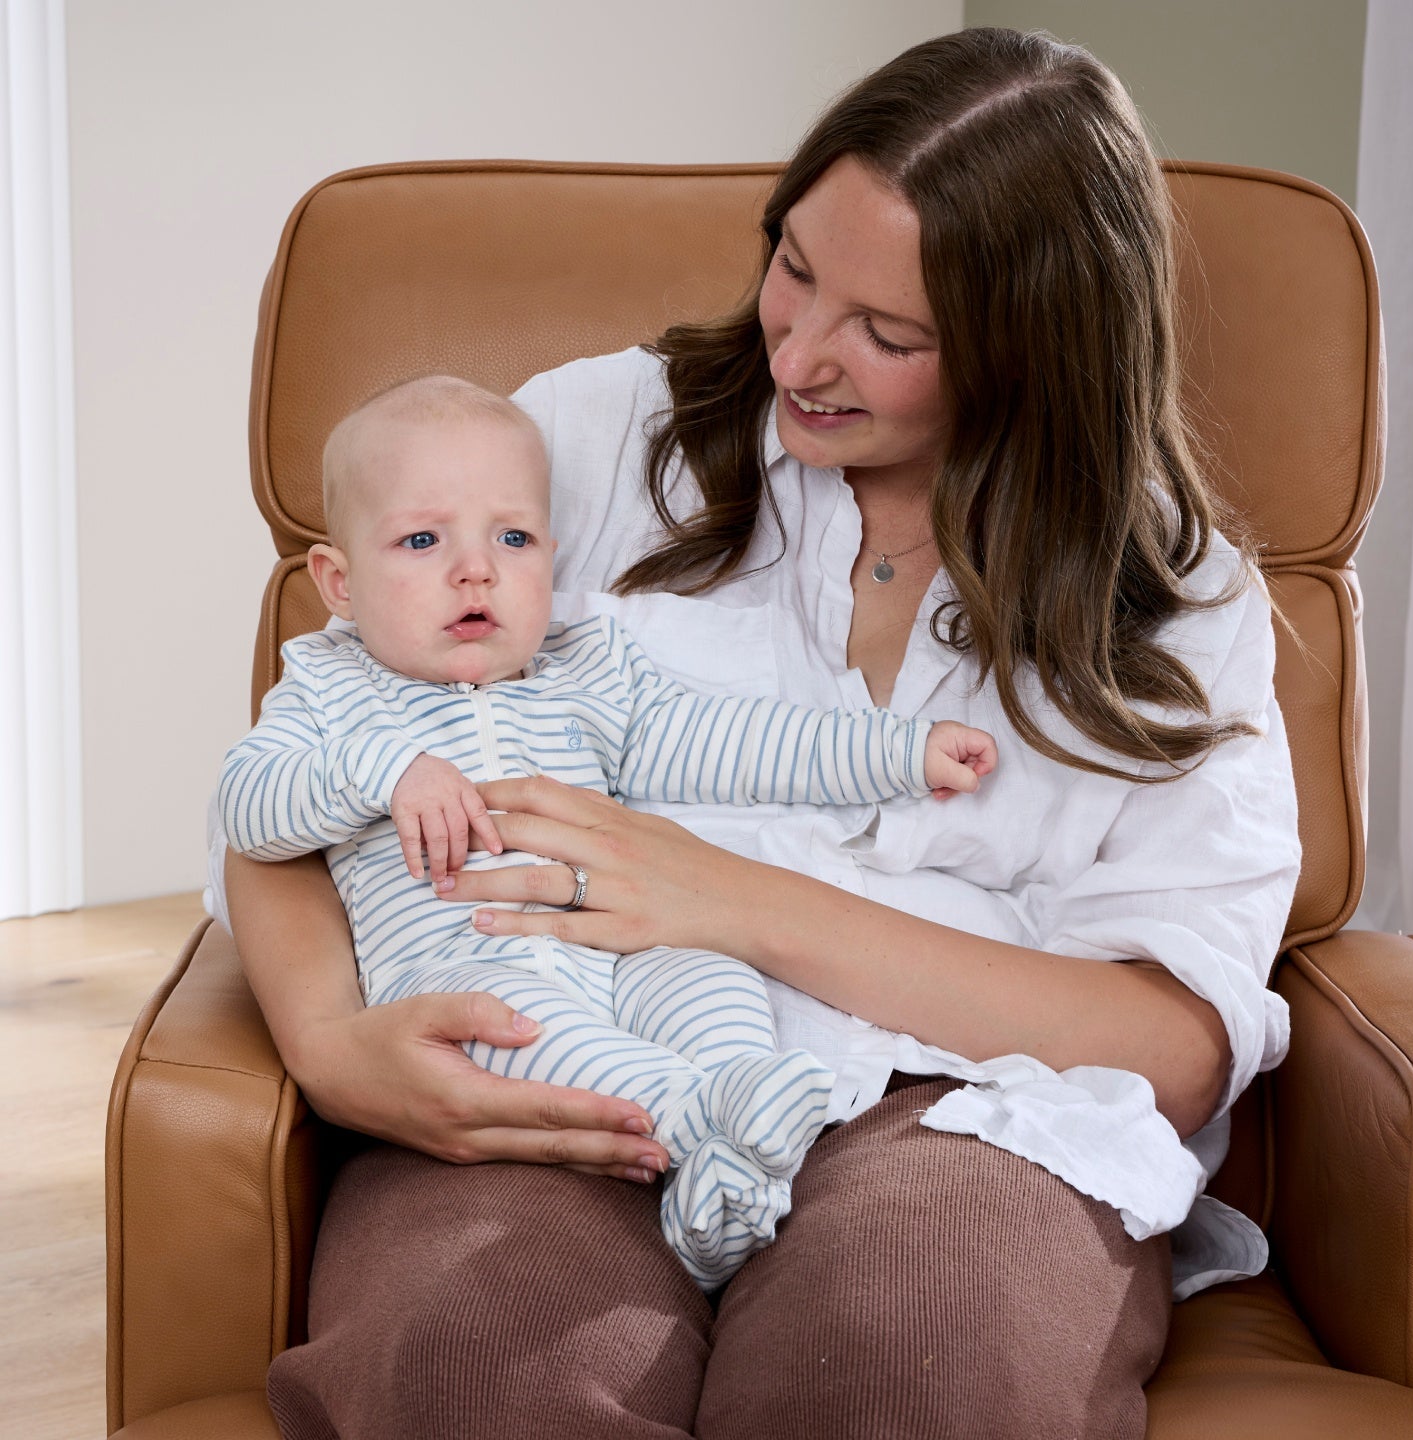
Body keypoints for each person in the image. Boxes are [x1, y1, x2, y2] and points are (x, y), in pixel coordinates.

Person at [213, 26, 1301, 1440]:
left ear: (1038, 353)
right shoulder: (590, 441)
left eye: (891, 336)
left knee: (906, 1374)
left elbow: (1177, 1041)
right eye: (793, 266)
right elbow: (298, 778)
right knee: (478, 1370)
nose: (802, 351)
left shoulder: (1174, 597)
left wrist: (730, 900)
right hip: (560, 1043)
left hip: (969, 1105)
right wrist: (329, 1046)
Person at [218, 374, 997, 1289]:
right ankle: (700, 1127)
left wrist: (898, 752)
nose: (476, 570)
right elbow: (248, 807)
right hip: (470, 971)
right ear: (339, 582)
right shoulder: (327, 690)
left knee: (707, 966)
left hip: (619, 948)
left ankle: (732, 1131)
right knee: (524, 1031)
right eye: (423, 541)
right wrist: (381, 772)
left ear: (551, 557)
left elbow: (731, 742)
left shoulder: (586, 674)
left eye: (512, 539)